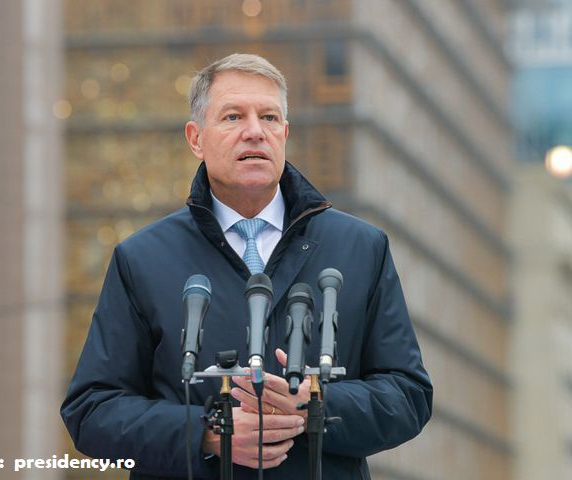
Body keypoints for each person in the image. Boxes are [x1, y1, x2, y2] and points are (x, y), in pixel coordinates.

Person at [61, 53, 432, 479]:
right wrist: (208, 433)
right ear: (196, 138)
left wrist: (313, 407)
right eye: (234, 116)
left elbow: (409, 396)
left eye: (269, 117)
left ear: (286, 133)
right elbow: (91, 411)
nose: (255, 132)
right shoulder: (141, 258)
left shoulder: (362, 248)